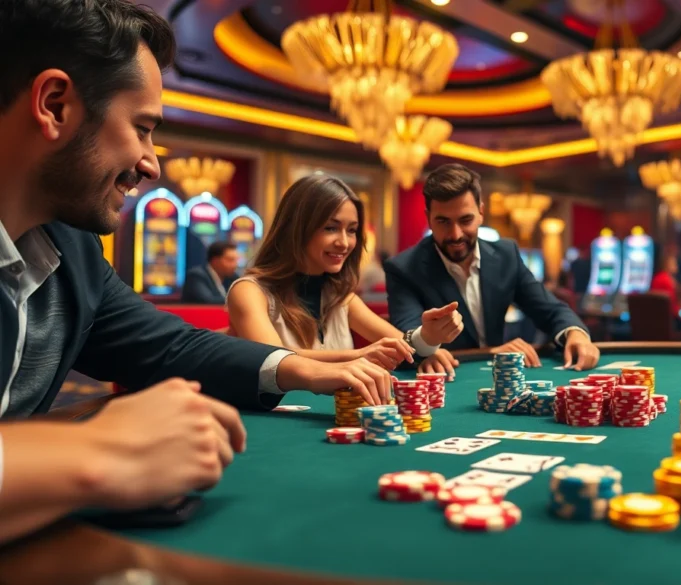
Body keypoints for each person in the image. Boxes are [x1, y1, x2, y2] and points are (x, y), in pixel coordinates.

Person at [0, 0, 393, 545]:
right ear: (55, 104)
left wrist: (303, 370)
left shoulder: (73, 248)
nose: (151, 163)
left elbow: (172, 347)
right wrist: (95, 451)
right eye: (141, 128)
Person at [385, 164, 601, 378]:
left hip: (502, 380)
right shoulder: (404, 268)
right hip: (448, 383)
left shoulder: (506, 255)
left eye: (465, 220)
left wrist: (576, 333)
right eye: (443, 221)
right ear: (428, 218)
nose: (456, 234)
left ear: (481, 212)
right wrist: (488, 353)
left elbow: (550, 309)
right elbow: (408, 338)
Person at [227, 175, 463, 369]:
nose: (344, 242)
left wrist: (429, 338)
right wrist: (359, 356)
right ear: (296, 229)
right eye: (331, 228)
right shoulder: (250, 291)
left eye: (351, 231)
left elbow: (401, 345)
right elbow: (274, 361)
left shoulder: (341, 297)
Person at [649, 244, 680, 318]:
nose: (676, 266)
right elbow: (672, 308)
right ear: (667, 263)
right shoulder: (666, 280)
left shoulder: (658, 277)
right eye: (674, 263)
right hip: (668, 320)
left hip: (655, 319)